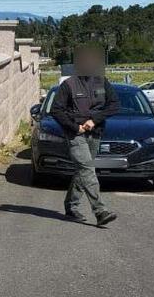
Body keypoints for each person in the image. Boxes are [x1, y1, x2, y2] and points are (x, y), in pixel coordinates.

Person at [48, 44, 120, 226]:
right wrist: (74, 127)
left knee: (82, 171)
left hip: (95, 132)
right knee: (87, 169)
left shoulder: (102, 82)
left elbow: (114, 105)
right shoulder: (68, 85)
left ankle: (71, 206)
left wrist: (94, 120)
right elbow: (56, 110)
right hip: (75, 135)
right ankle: (100, 211)